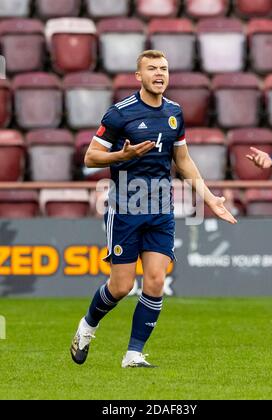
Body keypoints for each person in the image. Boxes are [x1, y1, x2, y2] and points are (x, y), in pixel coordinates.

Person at [70, 50, 237, 368]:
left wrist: (210, 198)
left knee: (156, 281)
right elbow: (91, 157)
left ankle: (133, 353)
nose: (159, 73)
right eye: (152, 69)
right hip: (125, 209)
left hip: (161, 208)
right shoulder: (120, 114)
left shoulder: (175, 112)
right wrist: (121, 155)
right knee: (121, 286)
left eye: (164, 68)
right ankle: (87, 327)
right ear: (139, 76)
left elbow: (183, 161)